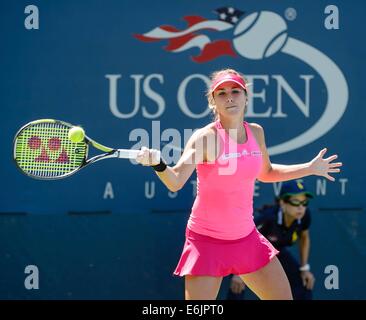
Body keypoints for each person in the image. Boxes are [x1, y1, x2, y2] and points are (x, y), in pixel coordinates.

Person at [135, 68, 342, 300]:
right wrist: (158, 163)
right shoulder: (206, 138)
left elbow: (267, 172)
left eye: (235, 90)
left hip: (247, 239)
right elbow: (175, 181)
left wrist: (310, 168)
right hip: (206, 242)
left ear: (246, 96)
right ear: (213, 101)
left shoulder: (256, 132)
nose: (230, 97)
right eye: (221, 93)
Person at [227, 180, 316, 300]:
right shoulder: (267, 218)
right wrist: (238, 273)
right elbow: (243, 242)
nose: (301, 207)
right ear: (282, 203)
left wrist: (304, 268)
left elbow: (305, 238)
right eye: (295, 201)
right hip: (252, 254)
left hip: (277, 252)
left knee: (304, 280)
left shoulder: (304, 216)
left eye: (304, 202)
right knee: (237, 284)